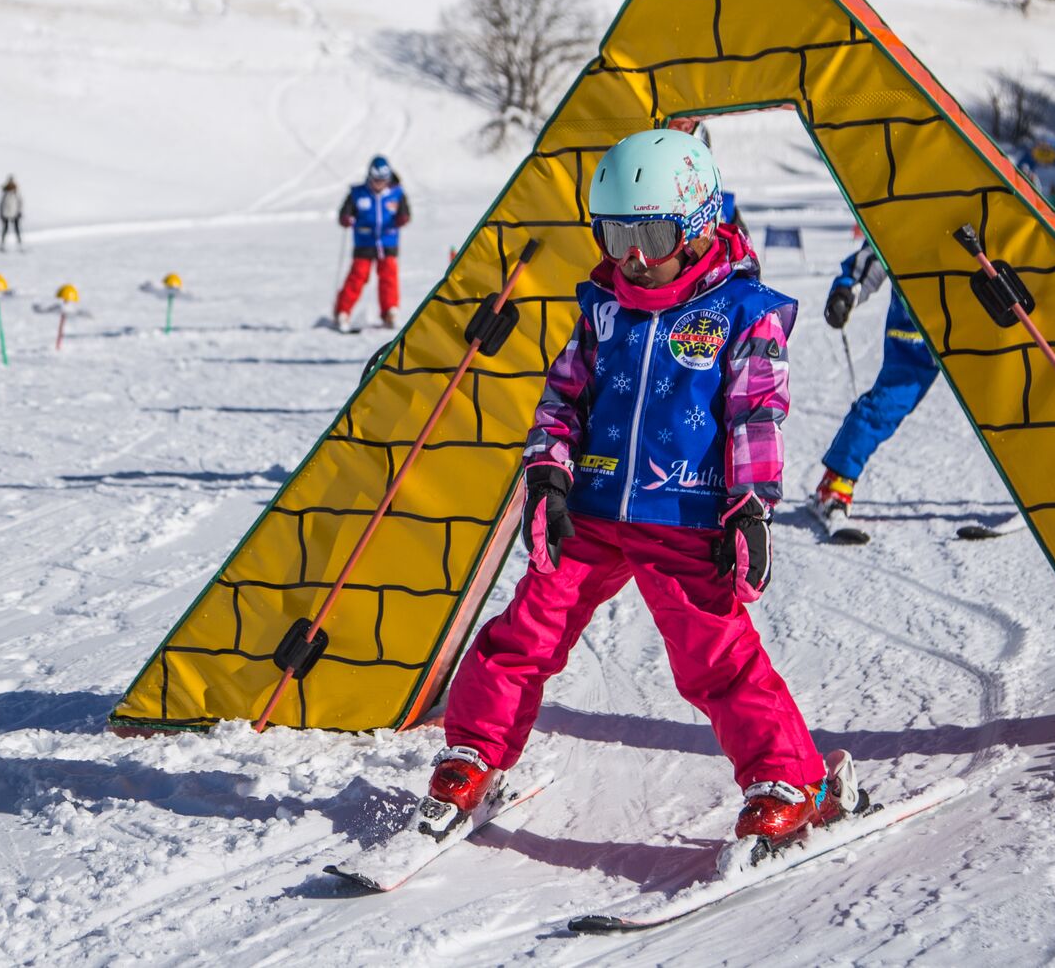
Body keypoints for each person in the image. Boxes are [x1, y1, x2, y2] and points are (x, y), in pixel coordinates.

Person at [415, 129, 853, 850]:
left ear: (701, 224)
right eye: (616, 234)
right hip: (590, 511)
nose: (635, 257)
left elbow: (758, 414)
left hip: (685, 516)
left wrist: (749, 509)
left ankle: (788, 779)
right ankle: (473, 752)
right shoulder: (602, 309)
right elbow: (561, 399)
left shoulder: (744, 312)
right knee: (526, 632)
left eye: (651, 232)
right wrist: (549, 470)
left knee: (716, 657)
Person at [801, 238, 940, 541]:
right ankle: (835, 484)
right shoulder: (913, 197)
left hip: (988, 319)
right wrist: (848, 290)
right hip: (919, 327)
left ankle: (1036, 491)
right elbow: (877, 247)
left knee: (1013, 405)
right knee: (885, 406)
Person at [334, 156, 410, 331]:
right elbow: (344, 213)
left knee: (389, 276)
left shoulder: (397, 194)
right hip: (364, 242)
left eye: (383, 180)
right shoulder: (358, 193)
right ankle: (342, 311)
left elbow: (405, 213)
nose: (379, 184)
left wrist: (402, 218)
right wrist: (346, 218)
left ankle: (390, 311)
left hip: (388, 241)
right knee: (358, 276)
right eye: (375, 180)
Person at [0, 176, 22, 251]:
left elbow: (19, 203)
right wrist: (1, 214)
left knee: (17, 229)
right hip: (6, 213)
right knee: (5, 229)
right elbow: (1, 204)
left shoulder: (16, 193)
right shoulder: (5, 193)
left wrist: (19, 212)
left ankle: (19, 244)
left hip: (15, 213)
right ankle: (2, 244)